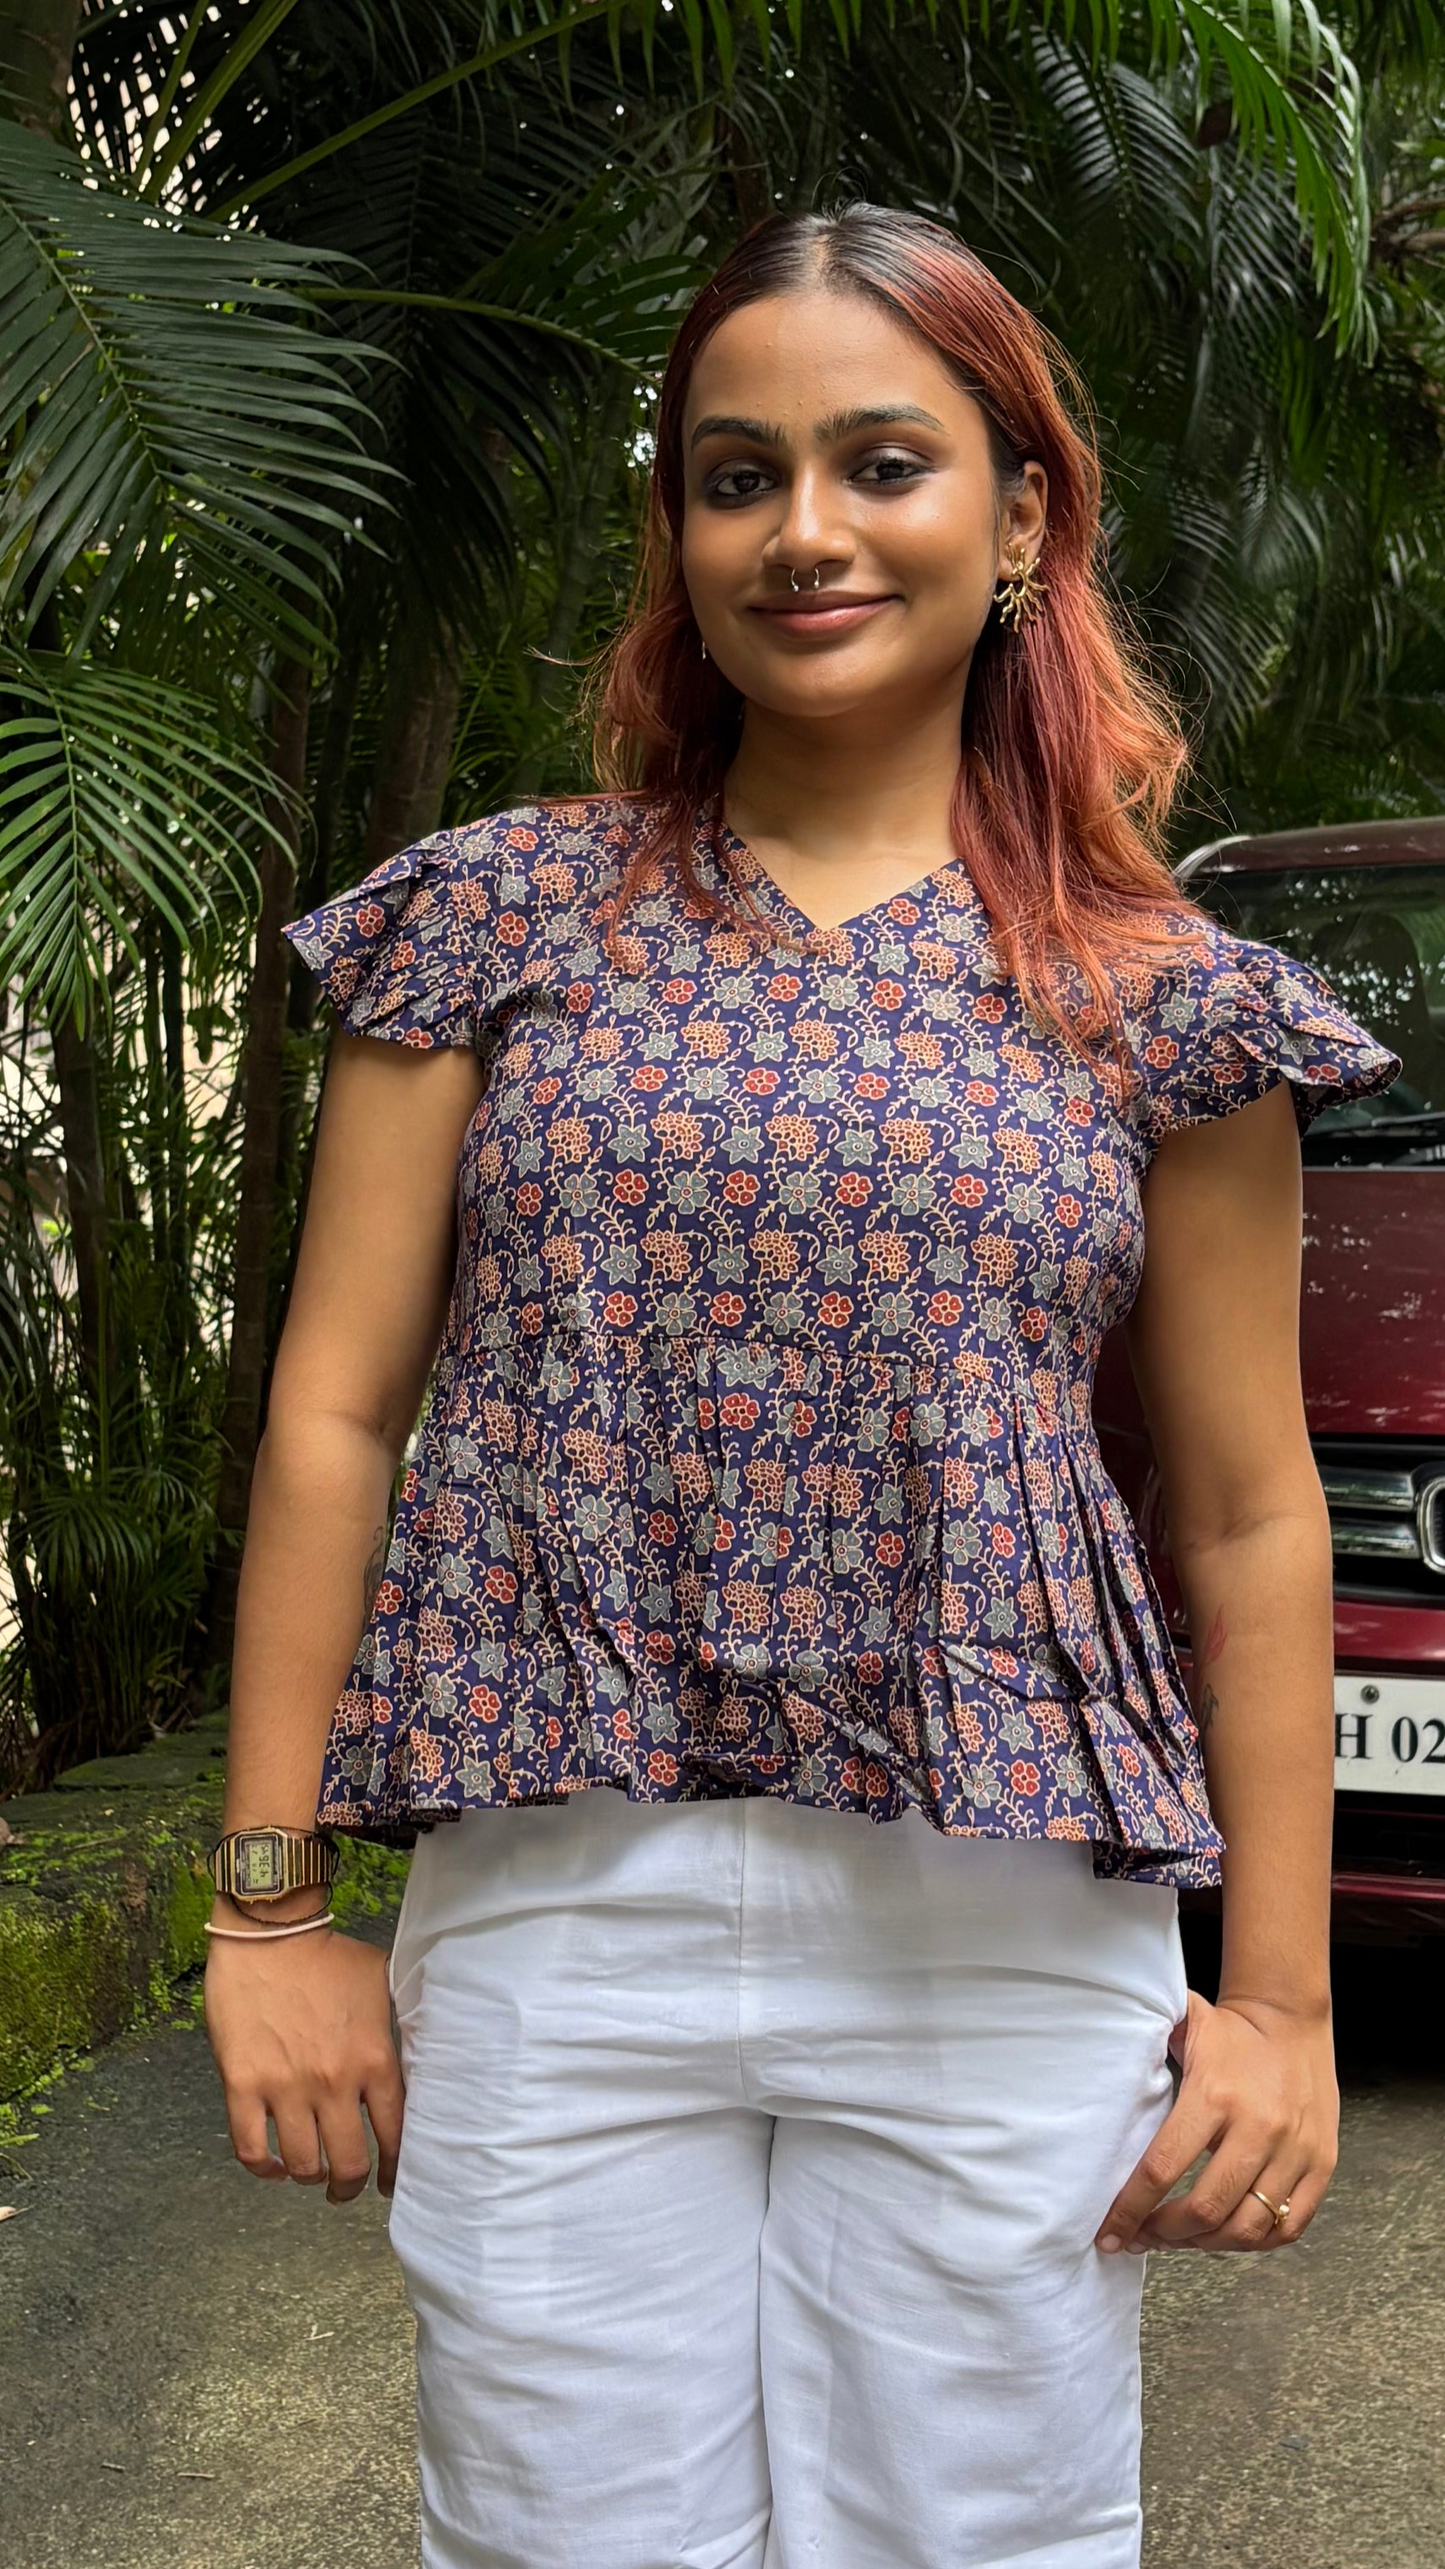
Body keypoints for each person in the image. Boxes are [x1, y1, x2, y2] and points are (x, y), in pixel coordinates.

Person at [203, 203, 1399, 2569]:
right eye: (733, 474)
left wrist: (1278, 2002)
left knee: (982, 2544)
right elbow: (334, 1419)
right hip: (555, 1908)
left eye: (881, 460)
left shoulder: (1164, 999)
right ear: (674, 529)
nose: (806, 530)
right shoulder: (492, 919)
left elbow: (1252, 1519)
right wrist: (264, 1913)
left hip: (998, 1935)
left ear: (1020, 512)